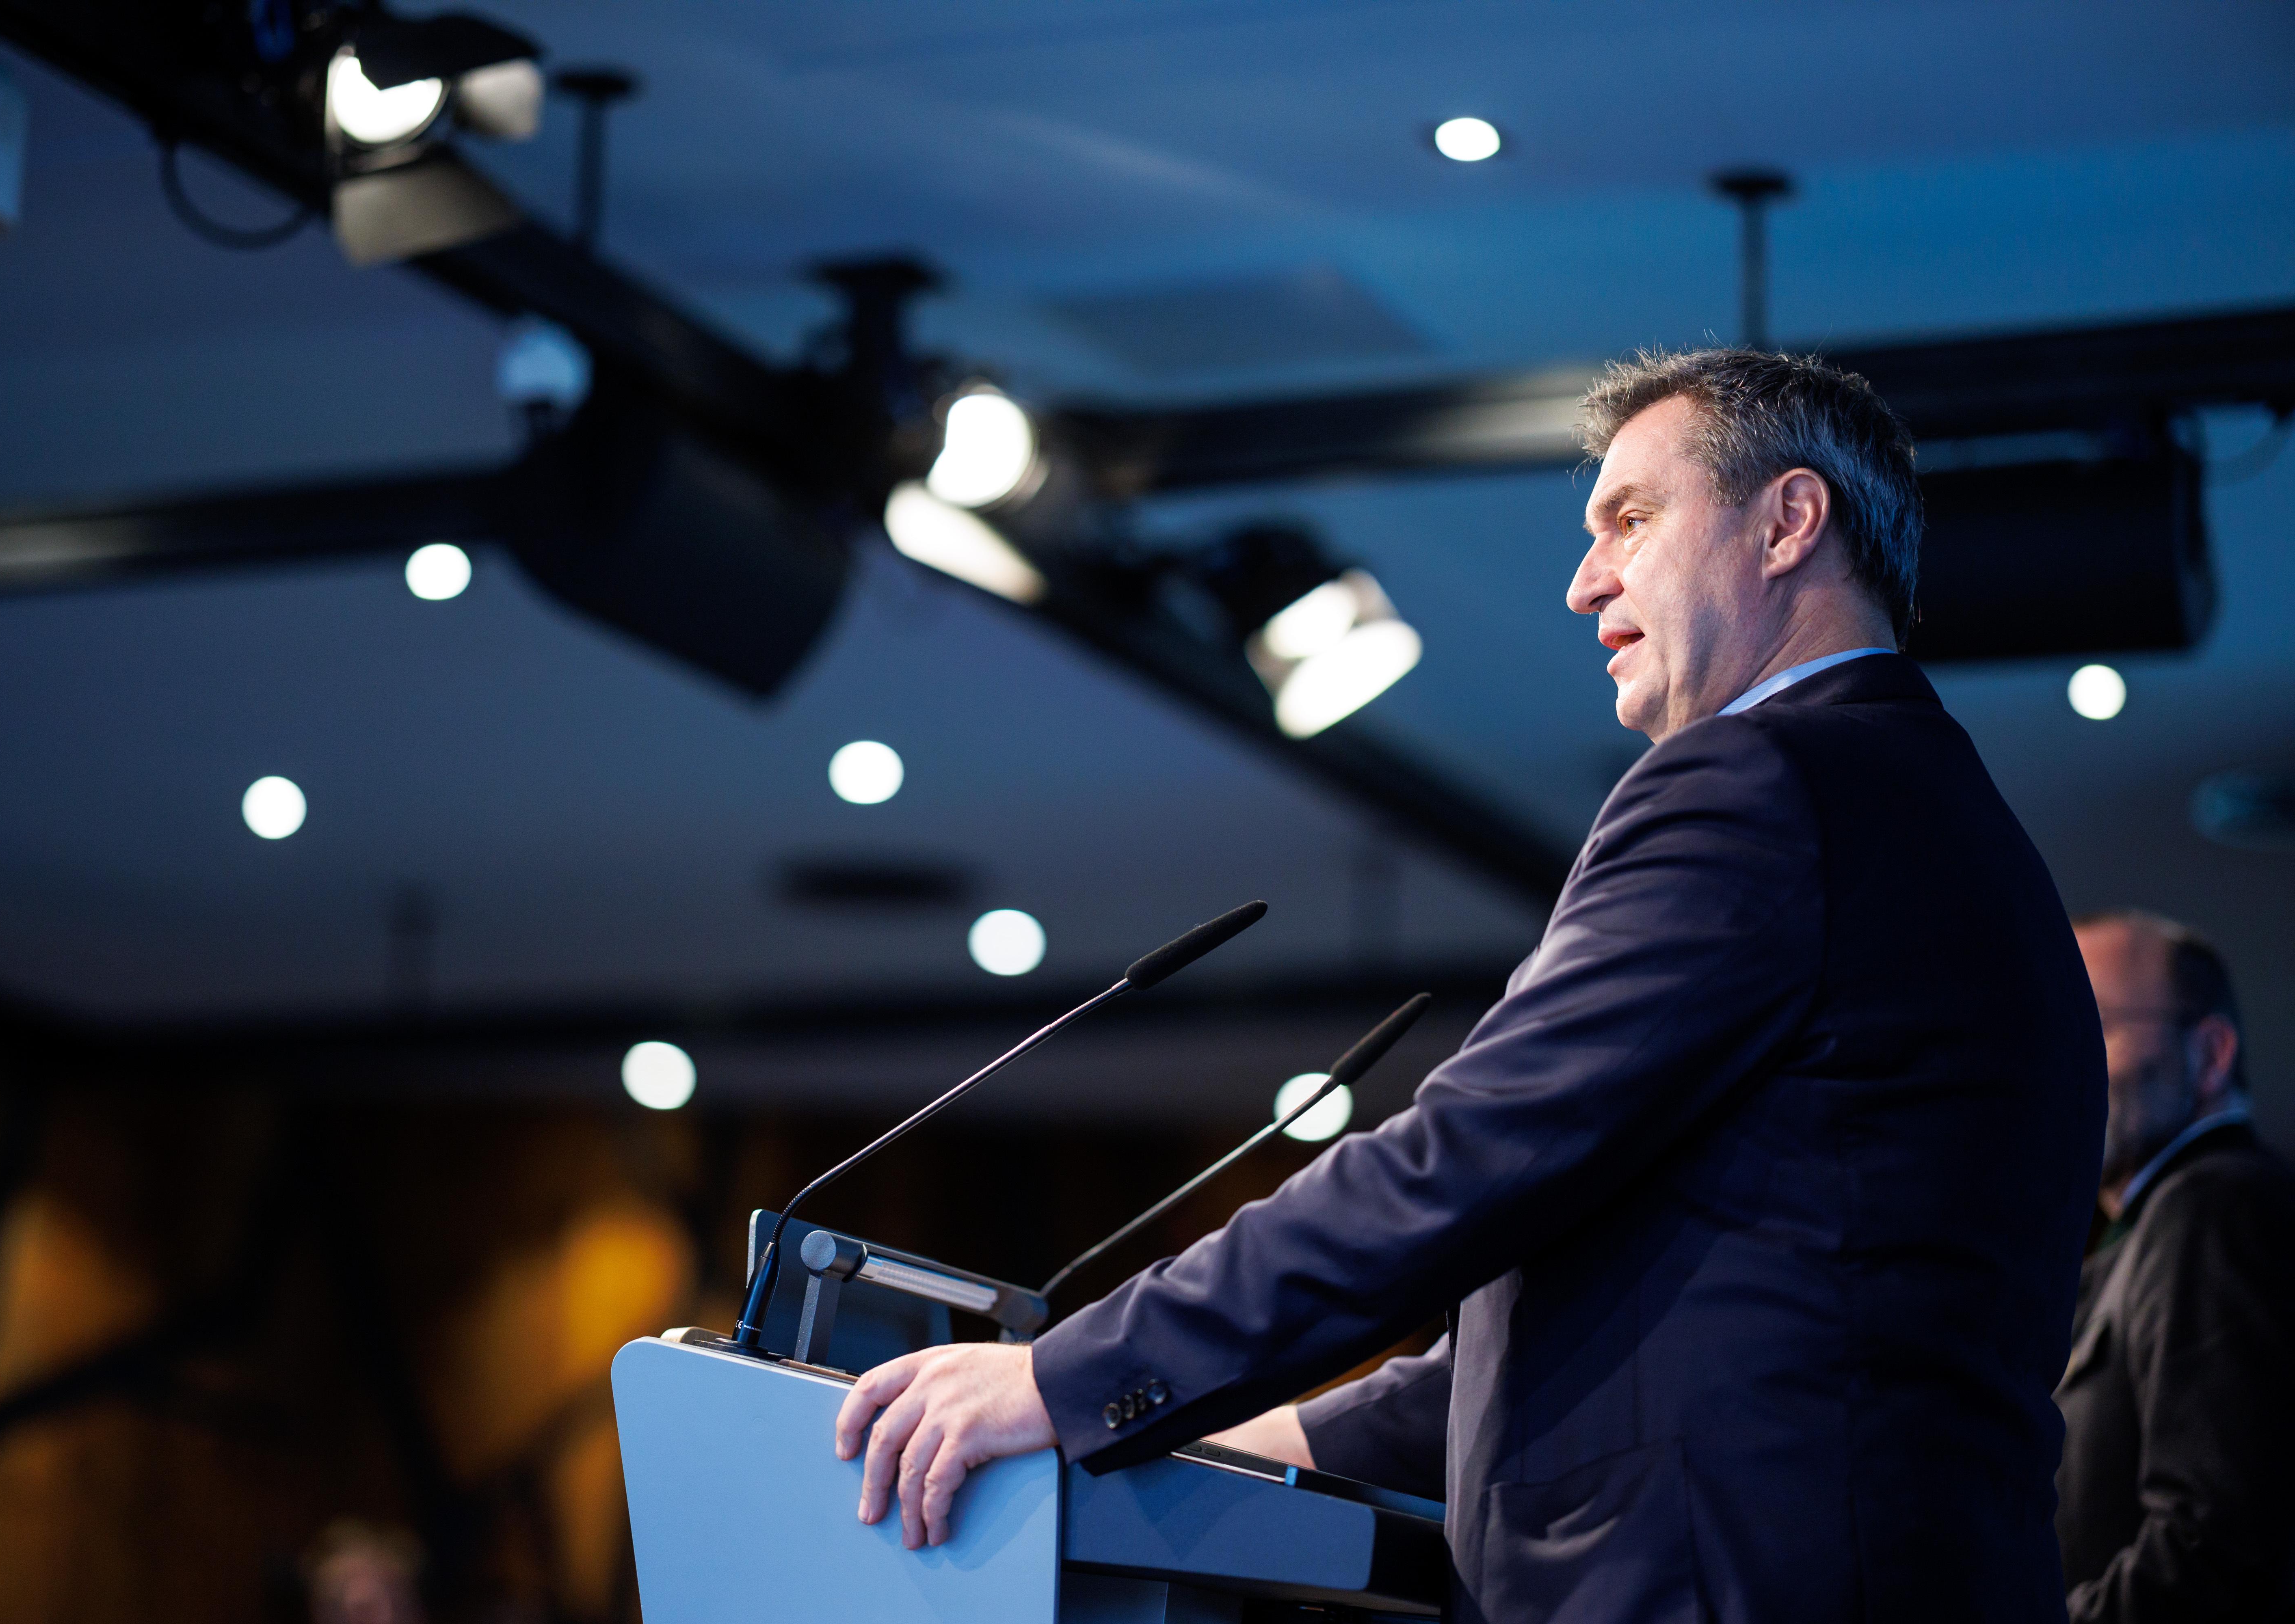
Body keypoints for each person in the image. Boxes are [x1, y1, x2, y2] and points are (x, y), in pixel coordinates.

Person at [833, 349, 2107, 1620]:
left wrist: (1061, 1379)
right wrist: (1263, 1437)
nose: (1585, 581)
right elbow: (1630, 1311)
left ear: (1788, 522)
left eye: (1632, 518)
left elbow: (1466, 1160)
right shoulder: (1950, 826)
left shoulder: (1766, 783)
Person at [2057, 911, 2295, 1623]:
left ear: (2211, 1054)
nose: (2066, 1064)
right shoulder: (2153, 1226)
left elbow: (2214, 1545)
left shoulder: (2213, 1206)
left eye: (2096, 1025)